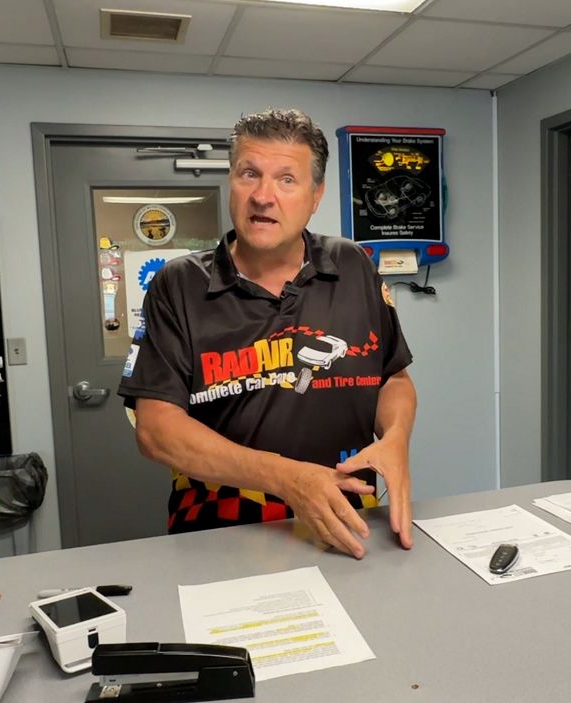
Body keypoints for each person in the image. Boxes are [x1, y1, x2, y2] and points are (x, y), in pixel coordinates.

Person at [117, 108, 416, 559]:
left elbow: (393, 377)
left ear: (316, 195)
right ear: (231, 182)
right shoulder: (177, 285)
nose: (263, 196)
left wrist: (395, 438)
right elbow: (156, 430)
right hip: (219, 529)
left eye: (286, 180)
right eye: (249, 174)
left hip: (349, 520)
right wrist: (287, 478)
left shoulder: (353, 265)